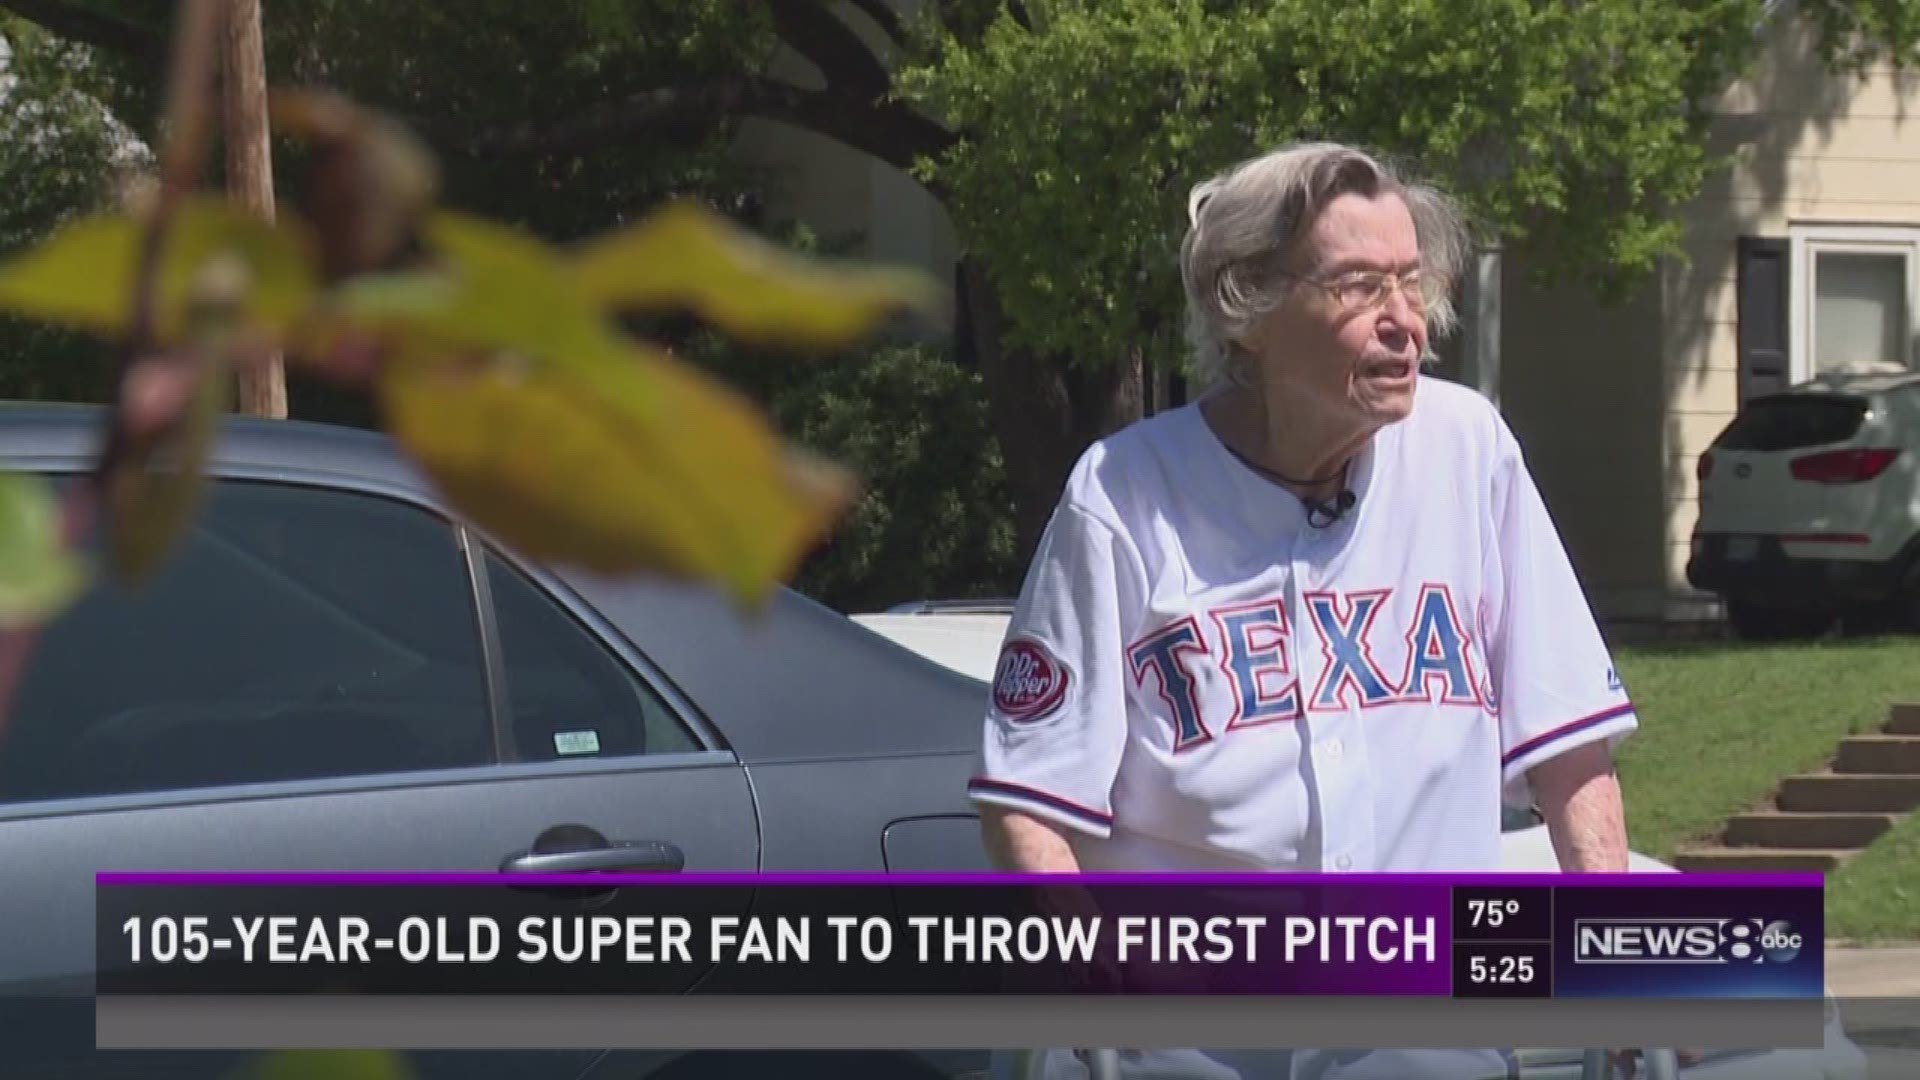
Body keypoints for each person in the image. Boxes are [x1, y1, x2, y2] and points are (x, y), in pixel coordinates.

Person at [969, 141, 1637, 1080]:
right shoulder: (1124, 494)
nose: (1406, 321)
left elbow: (1571, 750)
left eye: (1414, 282)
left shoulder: (1467, 451)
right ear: (1250, 310)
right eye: (1361, 286)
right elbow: (1028, 802)